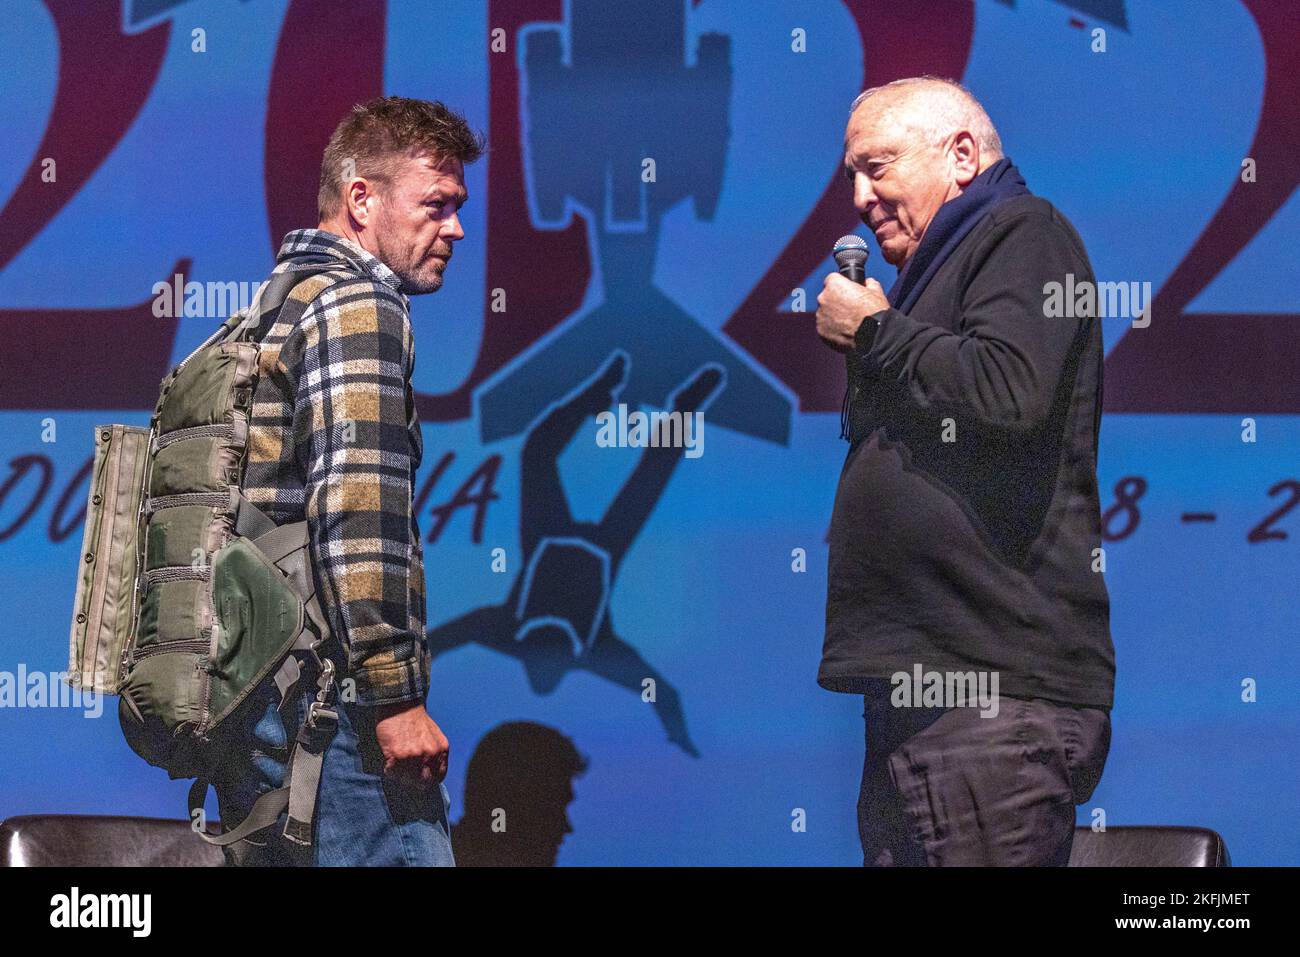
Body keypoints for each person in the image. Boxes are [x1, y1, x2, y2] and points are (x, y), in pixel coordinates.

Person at [815, 76, 1115, 866]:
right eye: (850, 174)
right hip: (928, 697)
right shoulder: (938, 271)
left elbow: (1009, 390)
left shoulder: (1022, 232)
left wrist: (878, 330)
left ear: (960, 154)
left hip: (989, 692)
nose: (858, 195)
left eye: (876, 166)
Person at [212, 96, 484, 865]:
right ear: (361, 197)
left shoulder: (272, 304)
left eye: (459, 207)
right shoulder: (358, 301)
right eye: (437, 204)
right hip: (337, 719)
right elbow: (355, 512)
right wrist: (397, 699)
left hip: (260, 709)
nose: (456, 228)